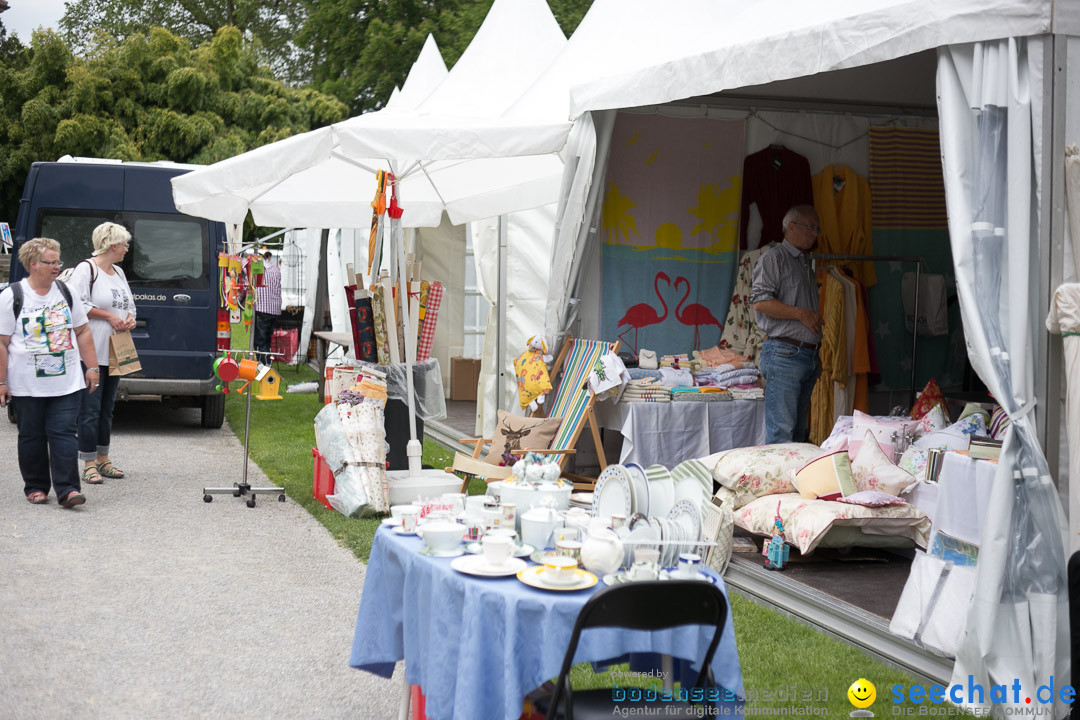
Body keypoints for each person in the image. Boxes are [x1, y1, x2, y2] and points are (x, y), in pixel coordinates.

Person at [0, 237, 100, 507]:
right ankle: (35, 486)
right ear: (33, 264)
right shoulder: (13, 296)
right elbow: (2, 341)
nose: (57, 267)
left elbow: (82, 330)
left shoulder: (66, 293)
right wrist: (1, 381)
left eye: (58, 262)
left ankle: (68, 490)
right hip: (26, 384)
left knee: (65, 434)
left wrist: (91, 367)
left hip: (66, 382)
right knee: (31, 435)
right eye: (50, 262)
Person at [69, 222, 137, 485]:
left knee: (107, 408)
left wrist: (129, 318)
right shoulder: (85, 270)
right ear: (112, 245)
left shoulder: (118, 272)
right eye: (124, 244)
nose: (127, 249)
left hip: (116, 350)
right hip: (92, 352)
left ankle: (103, 459)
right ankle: (87, 463)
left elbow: (129, 303)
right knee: (90, 409)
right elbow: (77, 304)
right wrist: (109, 316)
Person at [750, 204, 824, 444]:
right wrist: (801, 314)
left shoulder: (804, 263)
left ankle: (793, 481)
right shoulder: (775, 258)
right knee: (781, 433)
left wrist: (815, 350)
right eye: (810, 227)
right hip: (785, 354)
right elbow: (760, 302)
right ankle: (777, 482)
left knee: (799, 433)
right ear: (791, 227)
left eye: (816, 228)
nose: (815, 233)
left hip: (806, 355)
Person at [253, 250, 281, 358]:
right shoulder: (275, 269)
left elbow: (249, 285)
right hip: (275, 309)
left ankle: (264, 366)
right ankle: (267, 365)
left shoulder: (259, 269)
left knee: (259, 342)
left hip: (263, 308)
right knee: (267, 341)